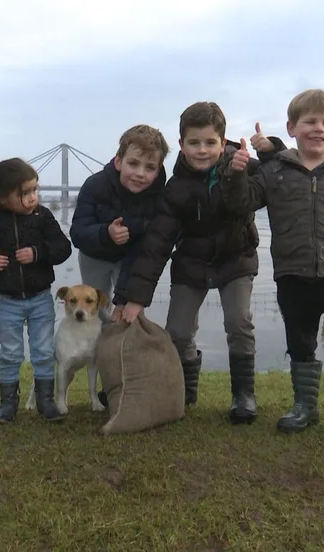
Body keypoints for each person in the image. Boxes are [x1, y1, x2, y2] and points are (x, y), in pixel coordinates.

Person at [221, 88, 324, 446]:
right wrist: (234, 175)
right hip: (293, 276)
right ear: (292, 127)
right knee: (301, 343)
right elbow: (241, 203)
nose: (318, 128)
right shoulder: (274, 171)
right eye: (310, 121)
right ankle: (305, 407)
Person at [117, 101, 284, 425]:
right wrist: (135, 298)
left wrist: (270, 150)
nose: (202, 150)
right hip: (191, 264)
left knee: (238, 323)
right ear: (181, 145)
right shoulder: (174, 188)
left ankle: (243, 395)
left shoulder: (244, 164)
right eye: (194, 143)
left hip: (236, 261)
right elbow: (157, 245)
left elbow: (277, 177)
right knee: (178, 332)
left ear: (224, 143)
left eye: (210, 143)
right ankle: (185, 391)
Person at [0, 158, 72, 424]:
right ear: (2, 197)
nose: (33, 198)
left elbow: (63, 247)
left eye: (35, 190)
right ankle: (7, 404)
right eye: (25, 193)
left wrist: (38, 253)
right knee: (10, 352)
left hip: (41, 298)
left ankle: (46, 402)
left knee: (42, 350)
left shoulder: (42, 215)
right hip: (6, 301)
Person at [70, 124, 170, 323]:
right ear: (118, 162)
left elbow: (149, 249)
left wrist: (126, 298)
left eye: (149, 167)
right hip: (94, 256)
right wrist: (106, 233)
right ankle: (97, 350)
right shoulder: (94, 185)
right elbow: (78, 233)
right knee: (95, 312)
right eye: (133, 163)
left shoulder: (159, 198)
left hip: (132, 257)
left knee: (131, 314)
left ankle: (126, 350)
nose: (140, 173)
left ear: (158, 171)